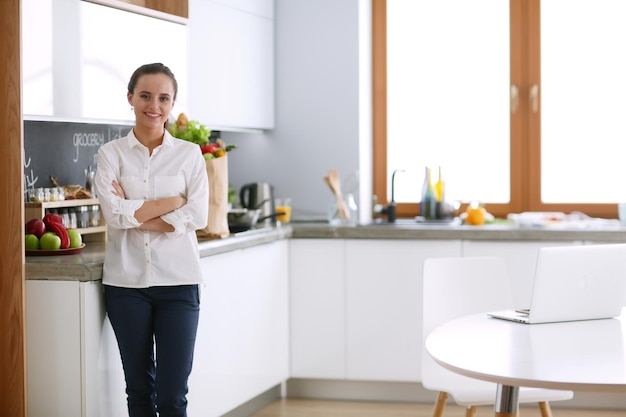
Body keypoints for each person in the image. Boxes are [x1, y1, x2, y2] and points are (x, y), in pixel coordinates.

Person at [95, 62, 209, 417]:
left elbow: (199, 216)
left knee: (173, 396)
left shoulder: (189, 155)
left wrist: (135, 213)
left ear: (173, 103)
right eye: (145, 95)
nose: (153, 105)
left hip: (179, 285)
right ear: (130, 98)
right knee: (139, 391)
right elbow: (112, 215)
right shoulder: (110, 154)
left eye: (163, 97)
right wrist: (169, 206)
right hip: (126, 287)